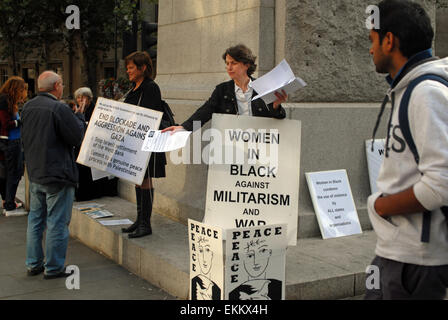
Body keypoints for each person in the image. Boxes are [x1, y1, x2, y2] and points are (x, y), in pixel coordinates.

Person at [366, 0, 448, 299]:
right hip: (399, 255)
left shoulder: (426, 93)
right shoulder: (410, 88)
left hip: (415, 262)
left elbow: (441, 184)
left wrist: (380, 207)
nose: (370, 49)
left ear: (390, 40)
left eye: (372, 40)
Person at [22, 71, 86, 279]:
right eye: (62, 84)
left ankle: (33, 264)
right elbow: (77, 137)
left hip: (36, 172)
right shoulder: (58, 108)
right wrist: (79, 115)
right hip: (57, 174)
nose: (63, 88)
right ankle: (53, 267)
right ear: (56, 85)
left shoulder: (29, 106)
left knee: (36, 220)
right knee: (57, 222)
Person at [162, 44, 287, 134]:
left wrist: (276, 107)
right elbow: (204, 112)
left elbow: (278, 119)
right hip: (231, 145)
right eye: (227, 63)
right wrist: (184, 128)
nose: (229, 67)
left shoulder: (262, 87)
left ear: (246, 65)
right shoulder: (222, 90)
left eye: (233, 63)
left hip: (258, 146)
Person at [121, 51, 168, 238]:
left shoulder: (151, 87)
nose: (128, 71)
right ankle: (139, 220)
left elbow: (149, 115)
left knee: (145, 179)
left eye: (131, 67)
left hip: (146, 142)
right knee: (138, 179)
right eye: (128, 67)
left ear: (143, 68)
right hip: (134, 141)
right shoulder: (134, 88)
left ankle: (145, 224)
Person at [72, 87, 118, 201]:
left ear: (89, 98)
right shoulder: (78, 110)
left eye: (83, 97)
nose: (80, 100)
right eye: (78, 98)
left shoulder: (96, 109)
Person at [0, 76, 28, 216]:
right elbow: (6, 124)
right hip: (11, 142)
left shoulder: (7, 100)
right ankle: (9, 205)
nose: (24, 93)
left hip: (12, 141)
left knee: (10, 173)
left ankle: (7, 202)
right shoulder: (5, 101)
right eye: (22, 89)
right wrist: (20, 122)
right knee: (14, 173)